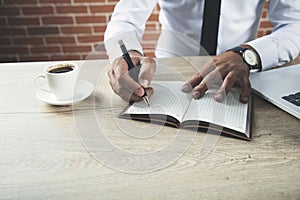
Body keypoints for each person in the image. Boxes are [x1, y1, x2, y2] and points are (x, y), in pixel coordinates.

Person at [104, 0, 300, 103]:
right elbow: (125, 18)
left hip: (238, 77)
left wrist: (249, 54)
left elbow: (294, 24)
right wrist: (126, 53)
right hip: (169, 76)